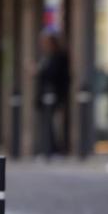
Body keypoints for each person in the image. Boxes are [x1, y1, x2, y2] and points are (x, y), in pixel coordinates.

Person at [34, 28, 70, 156]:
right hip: (45, 96)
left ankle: (54, 149)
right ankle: (47, 148)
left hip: (54, 96)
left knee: (55, 123)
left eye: (46, 41)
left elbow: (58, 76)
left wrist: (39, 71)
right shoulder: (46, 56)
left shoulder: (59, 57)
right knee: (46, 123)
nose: (44, 44)